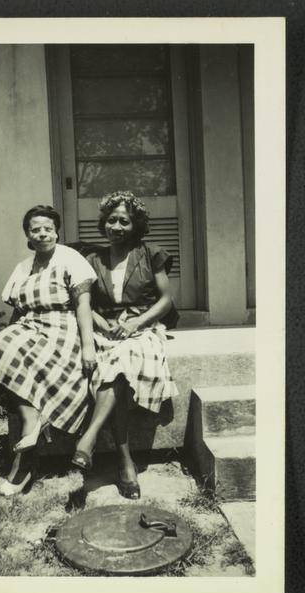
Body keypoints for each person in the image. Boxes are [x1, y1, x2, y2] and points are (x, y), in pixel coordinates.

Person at [0, 205, 97, 495]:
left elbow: (83, 306)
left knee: (17, 351)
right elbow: (18, 312)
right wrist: (8, 337)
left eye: (47, 228)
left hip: (62, 329)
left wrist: (88, 347)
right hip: (31, 325)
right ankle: (33, 418)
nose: (42, 233)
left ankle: (25, 459)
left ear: (56, 231)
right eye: (35, 229)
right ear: (28, 236)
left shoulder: (72, 259)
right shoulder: (23, 267)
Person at [71, 191, 178, 500]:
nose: (116, 227)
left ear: (136, 226)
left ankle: (89, 439)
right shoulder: (92, 259)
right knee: (116, 363)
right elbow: (82, 301)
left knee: (122, 356)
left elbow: (166, 300)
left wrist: (135, 323)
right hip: (106, 329)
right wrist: (100, 323)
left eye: (124, 221)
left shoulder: (151, 254)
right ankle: (125, 461)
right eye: (111, 220)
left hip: (142, 328)